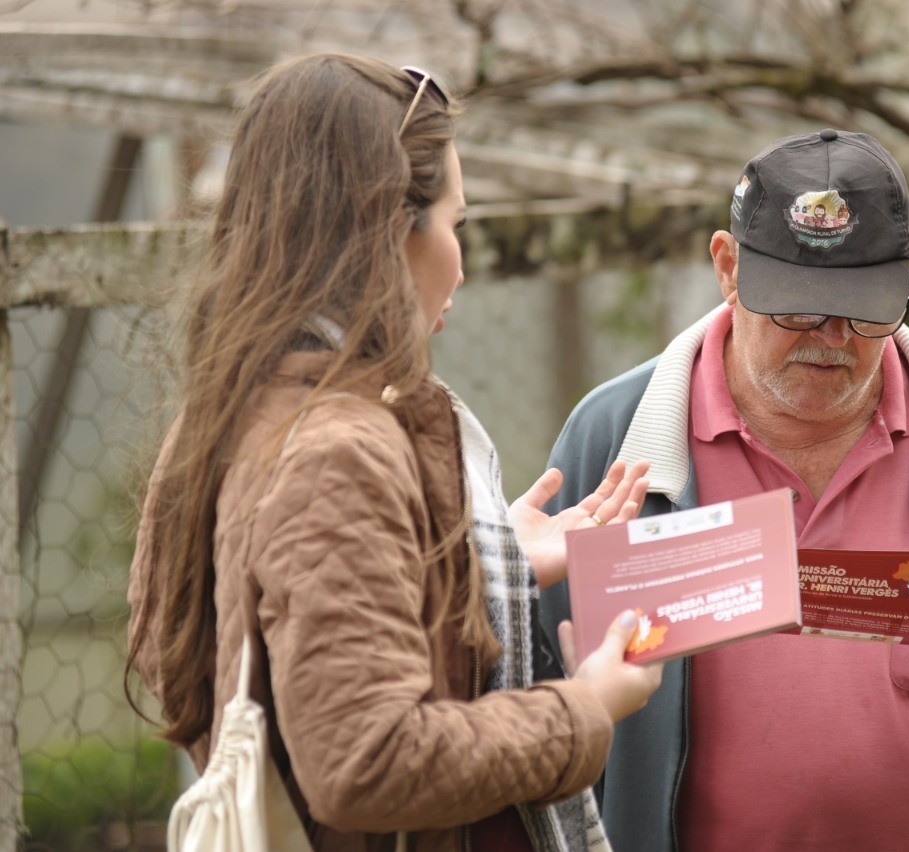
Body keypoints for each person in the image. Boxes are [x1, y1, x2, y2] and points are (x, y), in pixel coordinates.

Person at [539, 128, 909, 851]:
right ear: (728, 269)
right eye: (797, 308)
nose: (830, 337)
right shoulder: (618, 433)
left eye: (863, 309)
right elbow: (524, 693)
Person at [124, 53, 661, 852]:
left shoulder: (228, 412)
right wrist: (583, 707)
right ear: (388, 228)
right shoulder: (338, 447)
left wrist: (477, 561)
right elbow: (365, 762)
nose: (462, 264)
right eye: (455, 223)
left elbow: (213, 643)